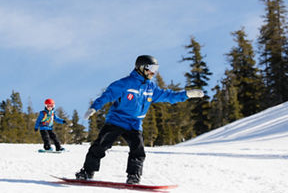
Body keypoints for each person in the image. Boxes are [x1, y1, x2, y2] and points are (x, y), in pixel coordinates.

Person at [76, 55, 204, 184]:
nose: (153, 72)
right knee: (101, 145)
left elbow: (168, 96)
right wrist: (94, 108)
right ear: (141, 68)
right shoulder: (125, 83)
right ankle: (87, 172)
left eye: (156, 69)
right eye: (151, 68)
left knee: (138, 150)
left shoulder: (151, 88)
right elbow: (107, 95)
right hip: (116, 120)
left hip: (134, 124)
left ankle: (134, 176)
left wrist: (187, 94)